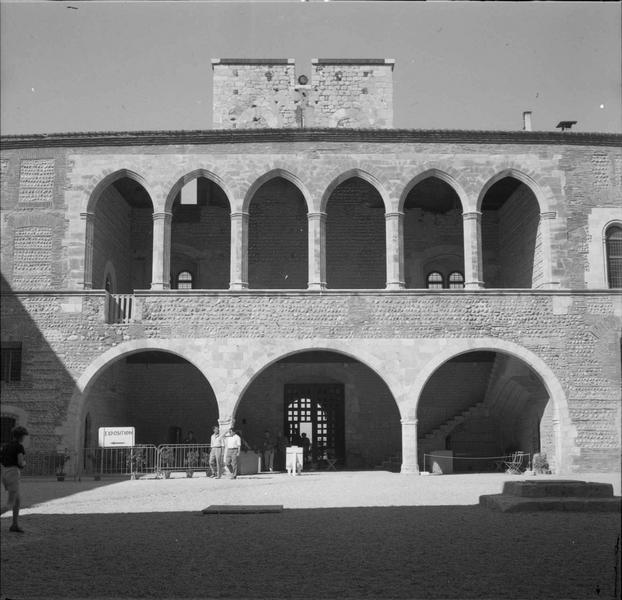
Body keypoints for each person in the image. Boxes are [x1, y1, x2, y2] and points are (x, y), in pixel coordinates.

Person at [1, 426, 29, 533]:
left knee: (17, 500)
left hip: (5, 473)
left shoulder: (6, 446)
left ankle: (15, 524)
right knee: (10, 503)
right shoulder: (19, 447)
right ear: (21, 436)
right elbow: (20, 462)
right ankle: (14, 524)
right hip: (13, 473)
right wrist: (24, 463)